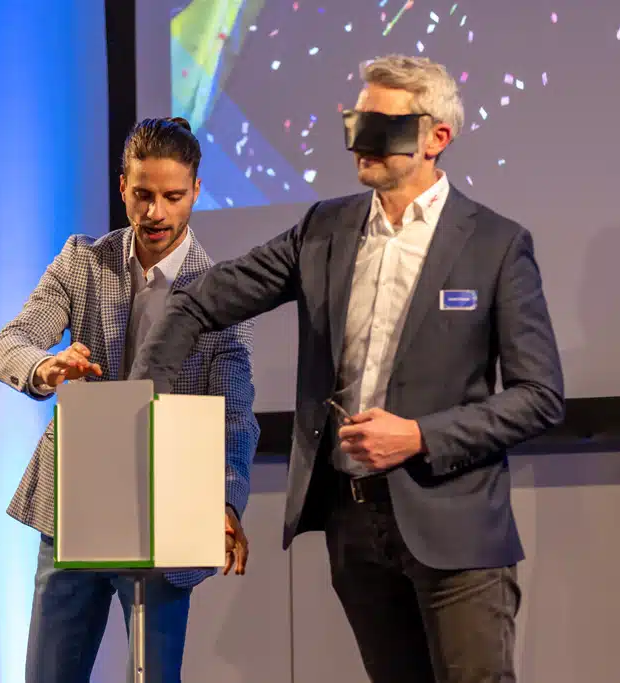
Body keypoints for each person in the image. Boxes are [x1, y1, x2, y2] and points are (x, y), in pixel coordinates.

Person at [129, 56, 564, 683]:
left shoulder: (495, 245)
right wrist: (147, 409)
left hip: (459, 530)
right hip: (356, 527)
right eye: (356, 123)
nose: (360, 142)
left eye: (381, 126)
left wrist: (419, 436)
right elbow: (197, 301)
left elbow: (539, 396)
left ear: (437, 137)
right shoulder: (323, 230)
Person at [0, 116, 259, 683]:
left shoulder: (220, 292)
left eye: (172, 197)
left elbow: (236, 417)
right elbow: (8, 344)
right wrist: (45, 366)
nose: (155, 212)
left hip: (170, 508)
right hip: (75, 504)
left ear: (196, 191)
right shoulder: (83, 261)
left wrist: (227, 503)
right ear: (122, 188)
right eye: (142, 195)